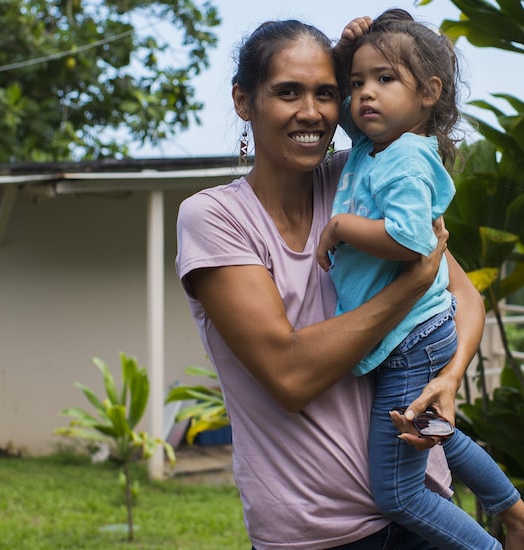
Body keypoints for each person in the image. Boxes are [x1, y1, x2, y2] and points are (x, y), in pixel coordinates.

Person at [175, 18, 485, 549]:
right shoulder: (215, 218)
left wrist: (451, 376)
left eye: (326, 93)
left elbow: (465, 297)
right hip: (318, 532)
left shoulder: (359, 178)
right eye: (287, 92)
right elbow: (290, 377)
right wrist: (408, 288)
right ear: (243, 101)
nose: (311, 112)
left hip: (420, 505)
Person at [315, 11, 524, 550]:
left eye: (385, 79)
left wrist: (342, 226)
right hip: (416, 333)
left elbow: (414, 242)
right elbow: (348, 123)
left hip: (410, 340)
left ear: (429, 94)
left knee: (398, 493)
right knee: (431, 433)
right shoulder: (381, 149)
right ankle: (517, 513)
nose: (365, 94)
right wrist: (348, 50)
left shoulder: (405, 162)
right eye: (356, 83)